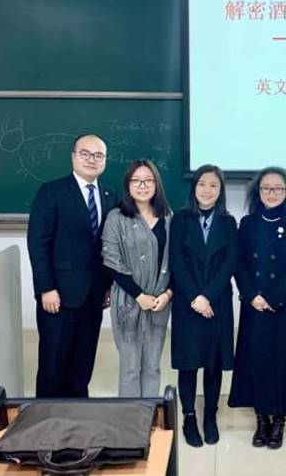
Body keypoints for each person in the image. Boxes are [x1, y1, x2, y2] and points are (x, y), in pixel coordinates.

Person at [27, 133, 116, 398]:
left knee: (82, 366)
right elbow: (38, 243)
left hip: (93, 296)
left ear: (105, 160)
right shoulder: (51, 191)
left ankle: (77, 415)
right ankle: (47, 418)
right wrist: (46, 288)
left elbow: (107, 246)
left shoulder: (110, 195)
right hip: (58, 296)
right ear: (73, 156)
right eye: (85, 153)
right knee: (53, 365)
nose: (92, 159)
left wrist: (108, 285)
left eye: (98, 155)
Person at [228, 167, 286, 450]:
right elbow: (239, 263)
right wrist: (251, 294)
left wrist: (274, 298)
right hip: (254, 305)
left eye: (277, 188)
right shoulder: (248, 223)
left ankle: (279, 420)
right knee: (257, 360)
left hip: (284, 305)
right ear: (258, 191)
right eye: (266, 188)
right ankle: (262, 419)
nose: (272, 193)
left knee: (283, 361)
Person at [169, 165, 238, 447]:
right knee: (188, 363)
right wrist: (195, 297)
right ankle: (189, 417)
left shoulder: (229, 222)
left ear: (220, 191)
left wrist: (207, 296)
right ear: (194, 187)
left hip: (217, 302)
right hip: (188, 303)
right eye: (202, 184)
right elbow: (176, 261)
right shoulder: (180, 219)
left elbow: (230, 262)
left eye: (213, 185)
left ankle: (210, 416)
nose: (207, 190)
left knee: (213, 363)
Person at [101, 159, 173, 398]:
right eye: (136, 181)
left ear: (156, 184)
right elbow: (112, 260)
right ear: (128, 185)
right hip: (128, 302)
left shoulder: (168, 217)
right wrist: (139, 295)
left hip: (159, 302)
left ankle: (149, 414)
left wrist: (167, 294)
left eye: (148, 180)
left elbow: (175, 260)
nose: (143, 186)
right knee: (130, 369)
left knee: (152, 366)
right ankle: (130, 417)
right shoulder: (116, 218)